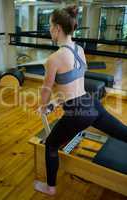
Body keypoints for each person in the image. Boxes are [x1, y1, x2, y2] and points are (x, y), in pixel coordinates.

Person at [34, 5, 127, 195]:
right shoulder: (79, 50)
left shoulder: (54, 59)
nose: (50, 30)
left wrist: (43, 105)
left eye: (51, 26)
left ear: (57, 28)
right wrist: (54, 104)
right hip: (91, 103)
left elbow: (46, 89)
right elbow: (73, 88)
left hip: (79, 112)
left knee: (51, 144)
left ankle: (50, 188)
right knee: (122, 132)